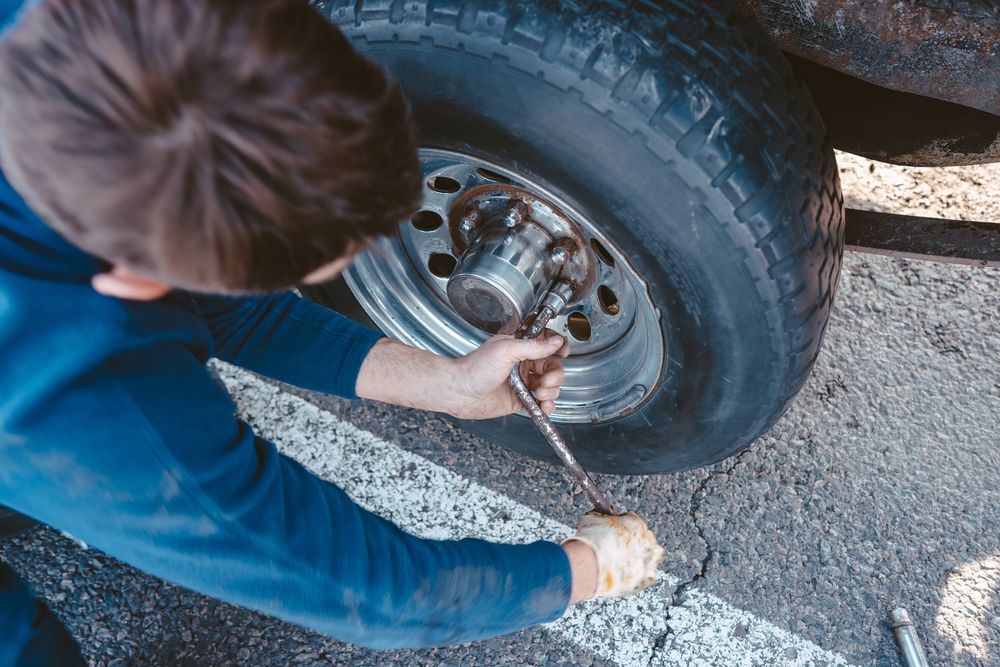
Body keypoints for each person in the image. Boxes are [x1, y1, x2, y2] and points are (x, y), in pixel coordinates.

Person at [0, 0, 665, 663]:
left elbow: (224, 306)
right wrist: (599, 563)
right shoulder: (86, 401)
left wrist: (451, 384)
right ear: (135, 278)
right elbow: (382, 594)